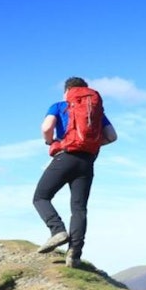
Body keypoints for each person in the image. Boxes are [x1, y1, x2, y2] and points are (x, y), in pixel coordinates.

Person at [33, 77, 117, 267]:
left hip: (66, 156)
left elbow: (46, 127)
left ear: (67, 91)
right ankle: (74, 255)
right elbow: (112, 136)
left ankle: (57, 231)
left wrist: (51, 142)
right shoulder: (95, 112)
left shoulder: (60, 105)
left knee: (41, 197)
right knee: (79, 209)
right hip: (87, 162)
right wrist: (93, 144)